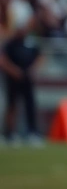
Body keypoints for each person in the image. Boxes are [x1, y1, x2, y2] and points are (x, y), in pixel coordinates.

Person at [1, 9, 42, 146]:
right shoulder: (11, 43)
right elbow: (3, 59)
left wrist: (33, 70)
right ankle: (9, 133)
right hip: (13, 78)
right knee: (12, 105)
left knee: (30, 105)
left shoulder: (31, 42)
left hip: (27, 78)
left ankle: (32, 132)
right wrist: (13, 71)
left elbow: (40, 56)